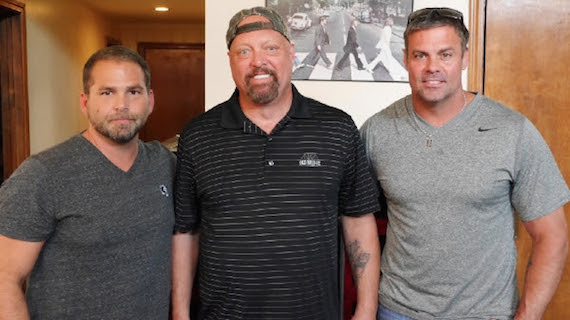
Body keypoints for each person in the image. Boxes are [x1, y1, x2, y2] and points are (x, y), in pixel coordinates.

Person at [171, 6, 381, 320]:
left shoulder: (336, 128)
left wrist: (366, 310)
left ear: (291, 53)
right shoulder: (198, 135)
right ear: (229, 59)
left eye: (271, 48)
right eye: (244, 51)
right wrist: (180, 313)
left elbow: (358, 221)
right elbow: (186, 232)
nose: (259, 61)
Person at [360, 7, 569, 320]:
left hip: (486, 312)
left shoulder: (512, 131)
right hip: (397, 311)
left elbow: (552, 236)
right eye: (420, 56)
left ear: (465, 57)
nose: (432, 67)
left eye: (445, 54)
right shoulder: (377, 131)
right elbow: (357, 222)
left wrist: (528, 316)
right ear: (405, 59)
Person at [0, 45, 176, 319]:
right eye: (107, 92)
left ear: (150, 100)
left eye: (133, 91)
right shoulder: (43, 174)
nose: (122, 105)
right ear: (85, 102)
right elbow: (4, 279)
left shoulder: (165, 163)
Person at [365, 17, 408, 81]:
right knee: (388, 58)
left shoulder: (385, 28)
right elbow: (386, 39)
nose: (393, 22)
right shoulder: (388, 29)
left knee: (380, 58)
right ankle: (394, 72)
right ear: (389, 22)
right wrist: (387, 47)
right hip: (385, 47)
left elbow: (383, 38)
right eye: (392, 21)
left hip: (384, 46)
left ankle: (369, 67)